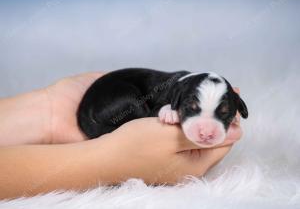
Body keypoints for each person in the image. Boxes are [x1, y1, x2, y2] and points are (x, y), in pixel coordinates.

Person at [0, 72, 242, 199]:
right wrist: (109, 158)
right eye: (193, 110)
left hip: (101, 103)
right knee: (140, 105)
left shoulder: (187, 89)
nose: (207, 130)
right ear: (179, 100)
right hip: (107, 102)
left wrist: (50, 112)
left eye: (222, 115)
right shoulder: (177, 90)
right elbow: (162, 106)